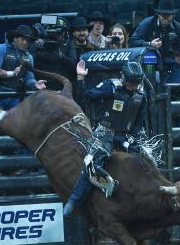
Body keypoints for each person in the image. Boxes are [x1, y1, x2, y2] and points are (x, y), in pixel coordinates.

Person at [63, 60, 148, 217]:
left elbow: (139, 120)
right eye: (130, 82)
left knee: (147, 160)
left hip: (126, 135)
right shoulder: (111, 86)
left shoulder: (142, 94)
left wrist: (132, 138)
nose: (133, 86)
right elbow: (86, 97)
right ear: (123, 77)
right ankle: (74, 201)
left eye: (136, 83)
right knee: (92, 164)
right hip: (106, 132)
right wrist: (81, 79)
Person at [0, 25, 46, 109]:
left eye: (28, 40)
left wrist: (35, 84)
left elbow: (29, 78)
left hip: (15, 95)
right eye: (23, 39)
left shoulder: (29, 57)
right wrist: (12, 73)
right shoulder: (2, 49)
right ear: (15, 38)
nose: (25, 42)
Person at [130, 0, 180, 84]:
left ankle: (171, 88)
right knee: (150, 57)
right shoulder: (147, 23)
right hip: (148, 57)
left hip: (167, 58)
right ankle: (151, 90)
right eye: (163, 15)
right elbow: (133, 41)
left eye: (168, 15)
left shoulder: (178, 27)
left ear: (173, 15)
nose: (165, 18)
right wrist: (149, 44)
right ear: (158, 14)